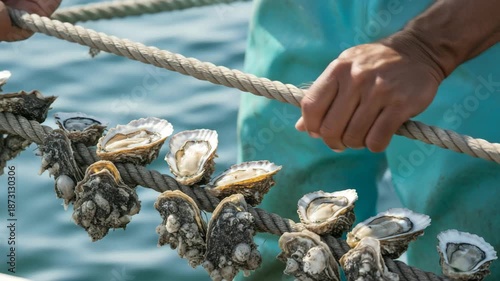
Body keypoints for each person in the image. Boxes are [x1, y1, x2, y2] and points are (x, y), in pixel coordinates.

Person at [238, 0, 499, 280]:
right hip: (303, 12)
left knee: (464, 250)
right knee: (277, 226)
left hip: (469, 30)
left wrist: (430, 48)